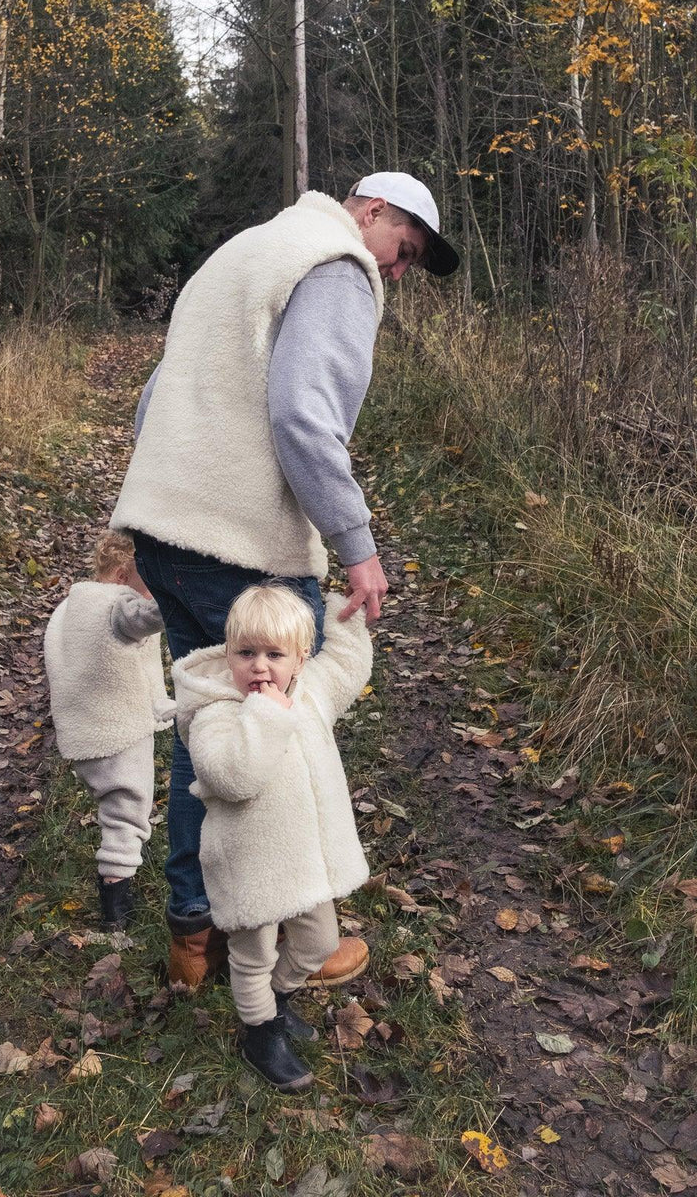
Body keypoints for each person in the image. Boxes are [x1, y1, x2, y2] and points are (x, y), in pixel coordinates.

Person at [110, 170, 459, 985]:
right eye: (401, 252)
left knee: (211, 736)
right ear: (372, 212)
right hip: (245, 552)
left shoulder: (244, 253)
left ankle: (194, 933)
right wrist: (356, 542)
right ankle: (294, 942)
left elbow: (154, 400)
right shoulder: (338, 264)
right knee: (280, 744)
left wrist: (146, 516)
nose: (395, 274)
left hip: (171, 540)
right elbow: (304, 413)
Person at [173, 584, 372, 1091]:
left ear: (301, 659)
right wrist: (265, 714)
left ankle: (277, 1002)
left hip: (305, 859)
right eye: (246, 653)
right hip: (249, 865)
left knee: (319, 942)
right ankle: (259, 1033)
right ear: (227, 653)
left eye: (274, 654)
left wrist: (345, 616)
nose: (259, 667)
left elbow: (347, 668)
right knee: (253, 955)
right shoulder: (215, 712)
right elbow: (232, 776)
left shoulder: (310, 692)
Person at [43, 532, 175, 931]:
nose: (148, 595)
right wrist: (177, 591)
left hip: (83, 732)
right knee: (126, 811)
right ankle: (116, 907)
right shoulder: (117, 608)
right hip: (118, 732)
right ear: (122, 575)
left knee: (115, 807)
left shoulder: (69, 608)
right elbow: (149, 617)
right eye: (148, 583)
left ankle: (122, 867)